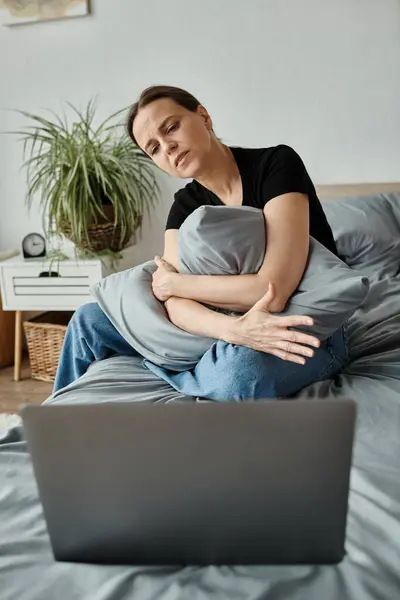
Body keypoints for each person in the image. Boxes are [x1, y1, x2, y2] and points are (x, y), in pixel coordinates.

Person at [53, 85, 348, 398]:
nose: (167, 147)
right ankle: (48, 437)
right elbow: (176, 307)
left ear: (204, 117)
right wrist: (231, 330)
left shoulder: (276, 164)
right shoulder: (184, 206)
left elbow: (273, 291)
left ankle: (171, 371)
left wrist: (174, 285)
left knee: (237, 375)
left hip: (301, 319)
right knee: (89, 320)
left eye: (171, 127)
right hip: (222, 323)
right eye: (153, 148)